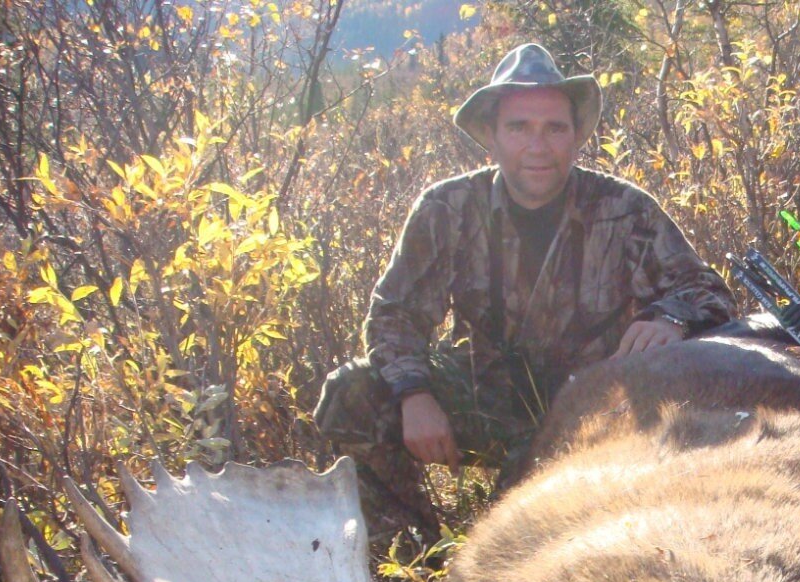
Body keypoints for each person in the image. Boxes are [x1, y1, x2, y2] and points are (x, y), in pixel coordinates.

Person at [315, 42, 735, 540]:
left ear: (576, 137)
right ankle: (412, 552)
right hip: (483, 393)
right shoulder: (448, 208)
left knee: (515, 529)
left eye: (555, 128)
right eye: (519, 127)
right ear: (491, 136)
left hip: (590, 413)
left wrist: (669, 317)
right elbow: (394, 315)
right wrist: (415, 394)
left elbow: (709, 293)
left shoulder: (625, 211)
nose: (539, 145)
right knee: (351, 393)